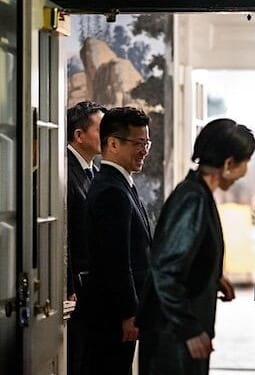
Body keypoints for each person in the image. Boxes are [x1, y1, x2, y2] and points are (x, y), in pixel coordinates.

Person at [136, 118, 255, 375]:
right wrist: (189, 328)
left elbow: (187, 256)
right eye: (245, 162)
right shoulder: (192, 198)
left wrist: (213, 276)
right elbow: (165, 271)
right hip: (172, 336)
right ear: (228, 164)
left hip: (176, 332)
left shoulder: (199, 193)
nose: (244, 171)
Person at [82, 106, 153, 375]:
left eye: (146, 142)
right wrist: (129, 313)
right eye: (138, 143)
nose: (144, 150)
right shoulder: (110, 190)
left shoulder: (123, 185)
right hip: (111, 316)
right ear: (112, 143)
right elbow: (116, 260)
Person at [65, 100, 106, 375]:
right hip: (73, 291)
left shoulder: (93, 171)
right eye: (101, 130)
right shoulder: (63, 172)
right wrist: (68, 286)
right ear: (79, 135)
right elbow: (63, 237)